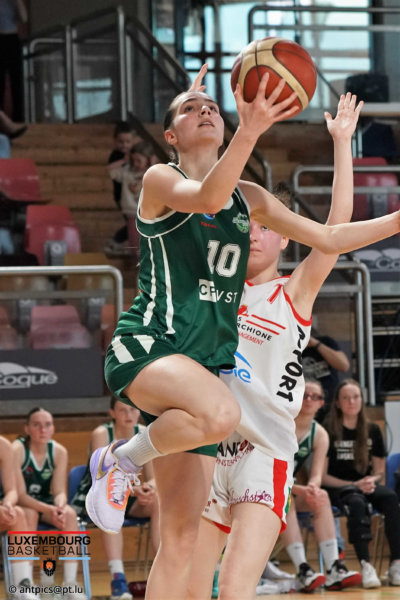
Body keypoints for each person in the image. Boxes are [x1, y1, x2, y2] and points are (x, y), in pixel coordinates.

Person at [85, 62, 400, 600]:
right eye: (190, 108)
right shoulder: (161, 179)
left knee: (180, 543)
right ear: (169, 136)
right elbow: (208, 198)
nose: (205, 110)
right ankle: (122, 458)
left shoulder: (252, 208)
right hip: (153, 346)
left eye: (211, 106)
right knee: (221, 413)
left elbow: (329, 235)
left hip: (215, 410)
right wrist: (249, 130)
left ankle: (126, 457)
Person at [186, 91, 364, 600]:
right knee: (189, 588)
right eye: (248, 225)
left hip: (263, 452)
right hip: (206, 450)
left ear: (286, 237)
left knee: (234, 589)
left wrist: (341, 143)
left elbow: (337, 226)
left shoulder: (294, 292)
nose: (254, 234)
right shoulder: (212, 288)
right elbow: (200, 195)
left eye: (267, 227)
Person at [70, 398, 160, 600]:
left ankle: (163, 568)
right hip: (97, 493)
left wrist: (149, 489)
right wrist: (135, 490)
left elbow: (153, 477)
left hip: (131, 494)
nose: (128, 415)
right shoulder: (102, 433)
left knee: (157, 501)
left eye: (132, 410)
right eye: (122, 410)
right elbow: (103, 477)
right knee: (109, 503)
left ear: (139, 412)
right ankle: (117, 578)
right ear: (112, 413)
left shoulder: (145, 433)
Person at [279, 379, 361, 592]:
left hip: (290, 488)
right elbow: (271, 471)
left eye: (314, 396)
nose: (308, 399)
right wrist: (298, 489)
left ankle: (334, 568)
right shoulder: (281, 424)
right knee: (287, 499)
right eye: (304, 394)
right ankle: (303, 569)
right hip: (268, 487)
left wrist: (312, 489)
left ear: (321, 403)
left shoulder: (320, 434)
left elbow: (317, 475)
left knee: (321, 496)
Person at [323, 378, 400, 588]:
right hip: (339, 487)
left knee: (390, 497)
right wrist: (354, 484)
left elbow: (380, 472)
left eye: (356, 397)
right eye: (346, 398)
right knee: (356, 503)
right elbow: (322, 476)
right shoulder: (328, 430)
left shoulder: (372, 429)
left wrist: (369, 480)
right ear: (337, 403)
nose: (351, 402)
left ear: (362, 400)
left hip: (365, 485)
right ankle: (366, 565)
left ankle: (396, 562)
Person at [12, 407, 88, 600]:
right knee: (29, 514)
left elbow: (60, 491)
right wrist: (50, 509)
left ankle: (70, 583)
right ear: (27, 428)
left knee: (69, 514)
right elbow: (20, 495)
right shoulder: (18, 449)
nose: (42, 430)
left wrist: (60, 507)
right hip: (19, 503)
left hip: (44, 503)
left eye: (47, 425)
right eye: (36, 425)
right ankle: (25, 584)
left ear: (53, 428)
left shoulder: (59, 451)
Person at [0, 435, 40, 599]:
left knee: (18, 513)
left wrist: (7, 504)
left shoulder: (3, 446)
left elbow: (11, 490)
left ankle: (22, 585)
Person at [108, 141, 156, 260]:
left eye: (139, 160)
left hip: (149, 215)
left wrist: (152, 163)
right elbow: (109, 170)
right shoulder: (127, 172)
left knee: (150, 246)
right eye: (133, 160)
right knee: (136, 247)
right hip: (132, 213)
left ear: (148, 159)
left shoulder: (152, 173)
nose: (135, 163)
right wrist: (124, 160)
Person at [302, 330, 350, 422]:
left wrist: (316, 344)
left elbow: (344, 366)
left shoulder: (325, 341)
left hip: (330, 405)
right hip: (304, 404)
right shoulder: (289, 346)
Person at [0, 0, 27, 122]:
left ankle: (18, 118)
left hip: (12, 38)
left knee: (17, 80)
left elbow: (24, 18)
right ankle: (2, 121)